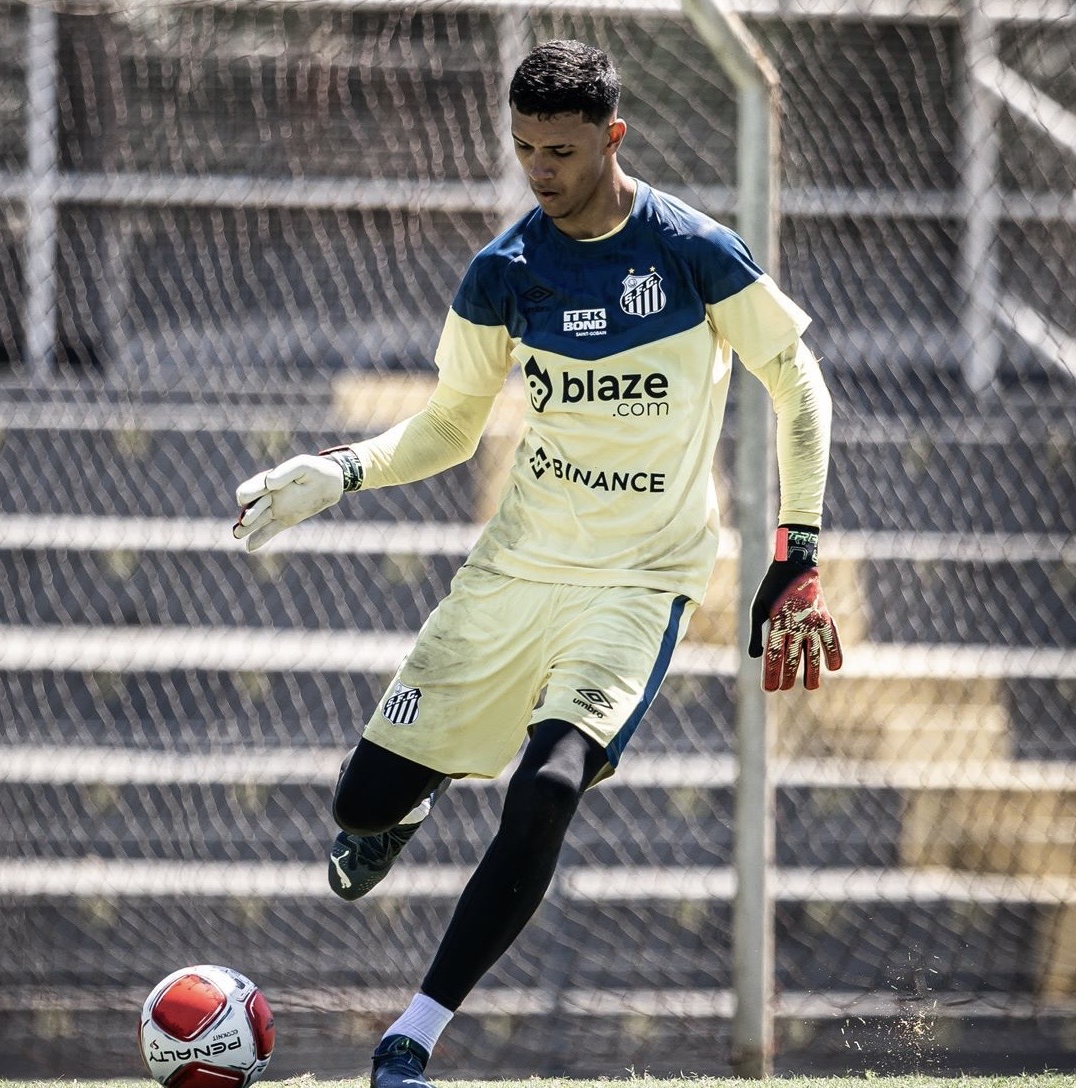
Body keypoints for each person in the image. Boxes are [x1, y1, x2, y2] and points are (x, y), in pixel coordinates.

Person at [232, 39, 843, 1087]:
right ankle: (403, 809)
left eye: (560, 150)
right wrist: (339, 470)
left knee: (549, 781)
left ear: (612, 137)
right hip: (514, 571)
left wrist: (797, 551)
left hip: (637, 581)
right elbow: (448, 428)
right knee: (360, 802)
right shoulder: (503, 272)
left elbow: (798, 388)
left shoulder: (694, 253)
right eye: (523, 149)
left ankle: (413, 1030)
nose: (540, 171)